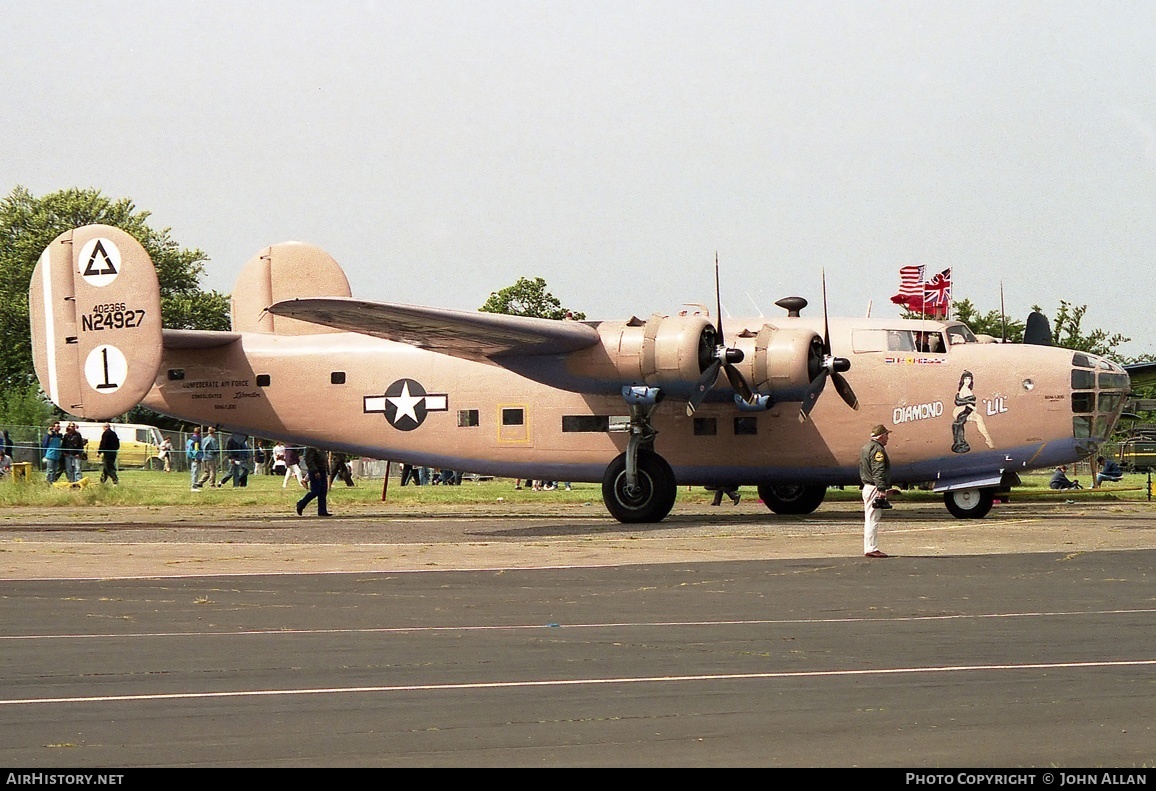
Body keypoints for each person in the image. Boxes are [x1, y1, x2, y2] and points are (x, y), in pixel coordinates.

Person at [860, 424, 899, 559]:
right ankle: (871, 548)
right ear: (881, 436)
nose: (888, 438)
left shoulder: (866, 447)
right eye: (887, 435)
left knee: (870, 518)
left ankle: (869, 547)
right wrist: (881, 489)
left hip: (868, 486)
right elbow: (878, 470)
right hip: (874, 487)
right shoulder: (877, 450)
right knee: (873, 519)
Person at [951, 370, 994, 454]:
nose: (967, 380)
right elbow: (967, 403)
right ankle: (988, 440)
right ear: (962, 380)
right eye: (966, 378)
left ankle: (988, 440)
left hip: (966, 410)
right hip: (962, 411)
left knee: (979, 418)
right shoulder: (964, 389)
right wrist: (973, 408)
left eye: (969, 379)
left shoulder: (966, 389)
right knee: (979, 418)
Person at [296, 445, 332, 517]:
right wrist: (315, 471)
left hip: (322, 470)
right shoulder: (311, 447)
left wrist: (327, 470)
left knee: (323, 492)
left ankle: (322, 511)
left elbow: (325, 459)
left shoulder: (322, 447)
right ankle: (301, 504)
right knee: (315, 491)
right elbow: (309, 460)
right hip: (315, 471)